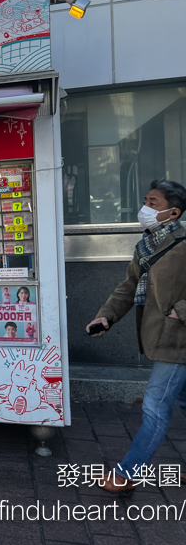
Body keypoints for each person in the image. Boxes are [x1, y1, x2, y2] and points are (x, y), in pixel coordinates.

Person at [85, 180, 186, 493]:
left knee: (155, 406)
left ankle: (127, 473)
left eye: (153, 202)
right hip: (160, 335)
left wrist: (180, 310)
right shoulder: (147, 244)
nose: (145, 208)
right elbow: (129, 286)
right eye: (145, 200)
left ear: (173, 212)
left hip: (177, 338)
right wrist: (106, 316)